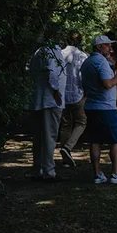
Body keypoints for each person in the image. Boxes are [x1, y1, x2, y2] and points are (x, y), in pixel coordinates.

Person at [80, 36, 117, 184]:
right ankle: (116, 173)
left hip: (91, 105)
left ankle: (97, 174)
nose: (110, 48)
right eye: (107, 45)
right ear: (99, 47)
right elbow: (107, 84)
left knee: (95, 140)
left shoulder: (87, 62)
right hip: (105, 107)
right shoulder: (101, 62)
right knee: (116, 139)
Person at [29, 43, 67, 181]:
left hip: (39, 100)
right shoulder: (52, 51)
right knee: (49, 136)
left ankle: (38, 168)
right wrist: (56, 91)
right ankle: (48, 171)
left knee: (39, 137)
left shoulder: (38, 51)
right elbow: (53, 71)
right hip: (50, 100)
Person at [58, 30, 89, 167]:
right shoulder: (82, 56)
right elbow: (84, 76)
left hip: (63, 95)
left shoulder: (60, 54)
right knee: (81, 122)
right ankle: (68, 147)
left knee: (66, 124)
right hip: (78, 93)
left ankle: (66, 156)